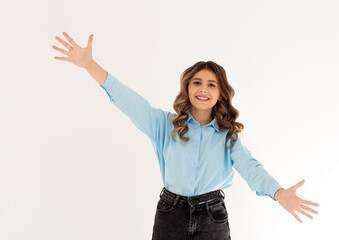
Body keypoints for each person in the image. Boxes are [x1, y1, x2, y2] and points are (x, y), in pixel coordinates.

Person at [52, 32, 320, 239]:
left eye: (211, 84)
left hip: (212, 215)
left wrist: (278, 192)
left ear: (220, 94)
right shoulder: (163, 124)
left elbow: (251, 167)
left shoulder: (228, 136)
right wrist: (90, 65)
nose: (203, 89)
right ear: (187, 87)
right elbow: (128, 100)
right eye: (197, 82)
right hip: (171, 213)